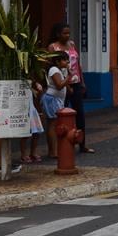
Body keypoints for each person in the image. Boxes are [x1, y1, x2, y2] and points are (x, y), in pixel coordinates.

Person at [48, 23, 91, 154]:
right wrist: (66, 85)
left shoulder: (71, 44)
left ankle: (82, 144)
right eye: (64, 33)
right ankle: (61, 146)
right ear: (57, 34)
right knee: (62, 115)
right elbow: (51, 67)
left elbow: (77, 65)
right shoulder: (52, 47)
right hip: (62, 85)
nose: (67, 36)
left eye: (68, 33)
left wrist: (82, 82)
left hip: (75, 82)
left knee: (80, 114)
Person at [42, 52, 69, 160]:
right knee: (52, 125)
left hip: (56, 99)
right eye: (64, 60)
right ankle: (53, 151)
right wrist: (69, 77)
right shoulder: (54, 70)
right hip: (52, 100)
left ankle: (53, 150)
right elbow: (59, 85)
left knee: (52, 124)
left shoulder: (59, 70)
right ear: (57, 61)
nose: (67, 62)